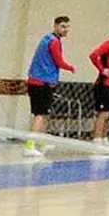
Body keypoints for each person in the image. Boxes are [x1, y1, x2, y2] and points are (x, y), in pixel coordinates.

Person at [23, 14, 74, 158]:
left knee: (44, 114)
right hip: (41, 82)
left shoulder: (47, 39)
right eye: (63, 26)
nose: (65, 29)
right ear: (55, 26)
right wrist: (70, 67)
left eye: (67, 27)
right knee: (40, 115)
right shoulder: (54, 41)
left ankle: (42, 141)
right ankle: (29, 145)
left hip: (37, 81)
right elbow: (59, 61)